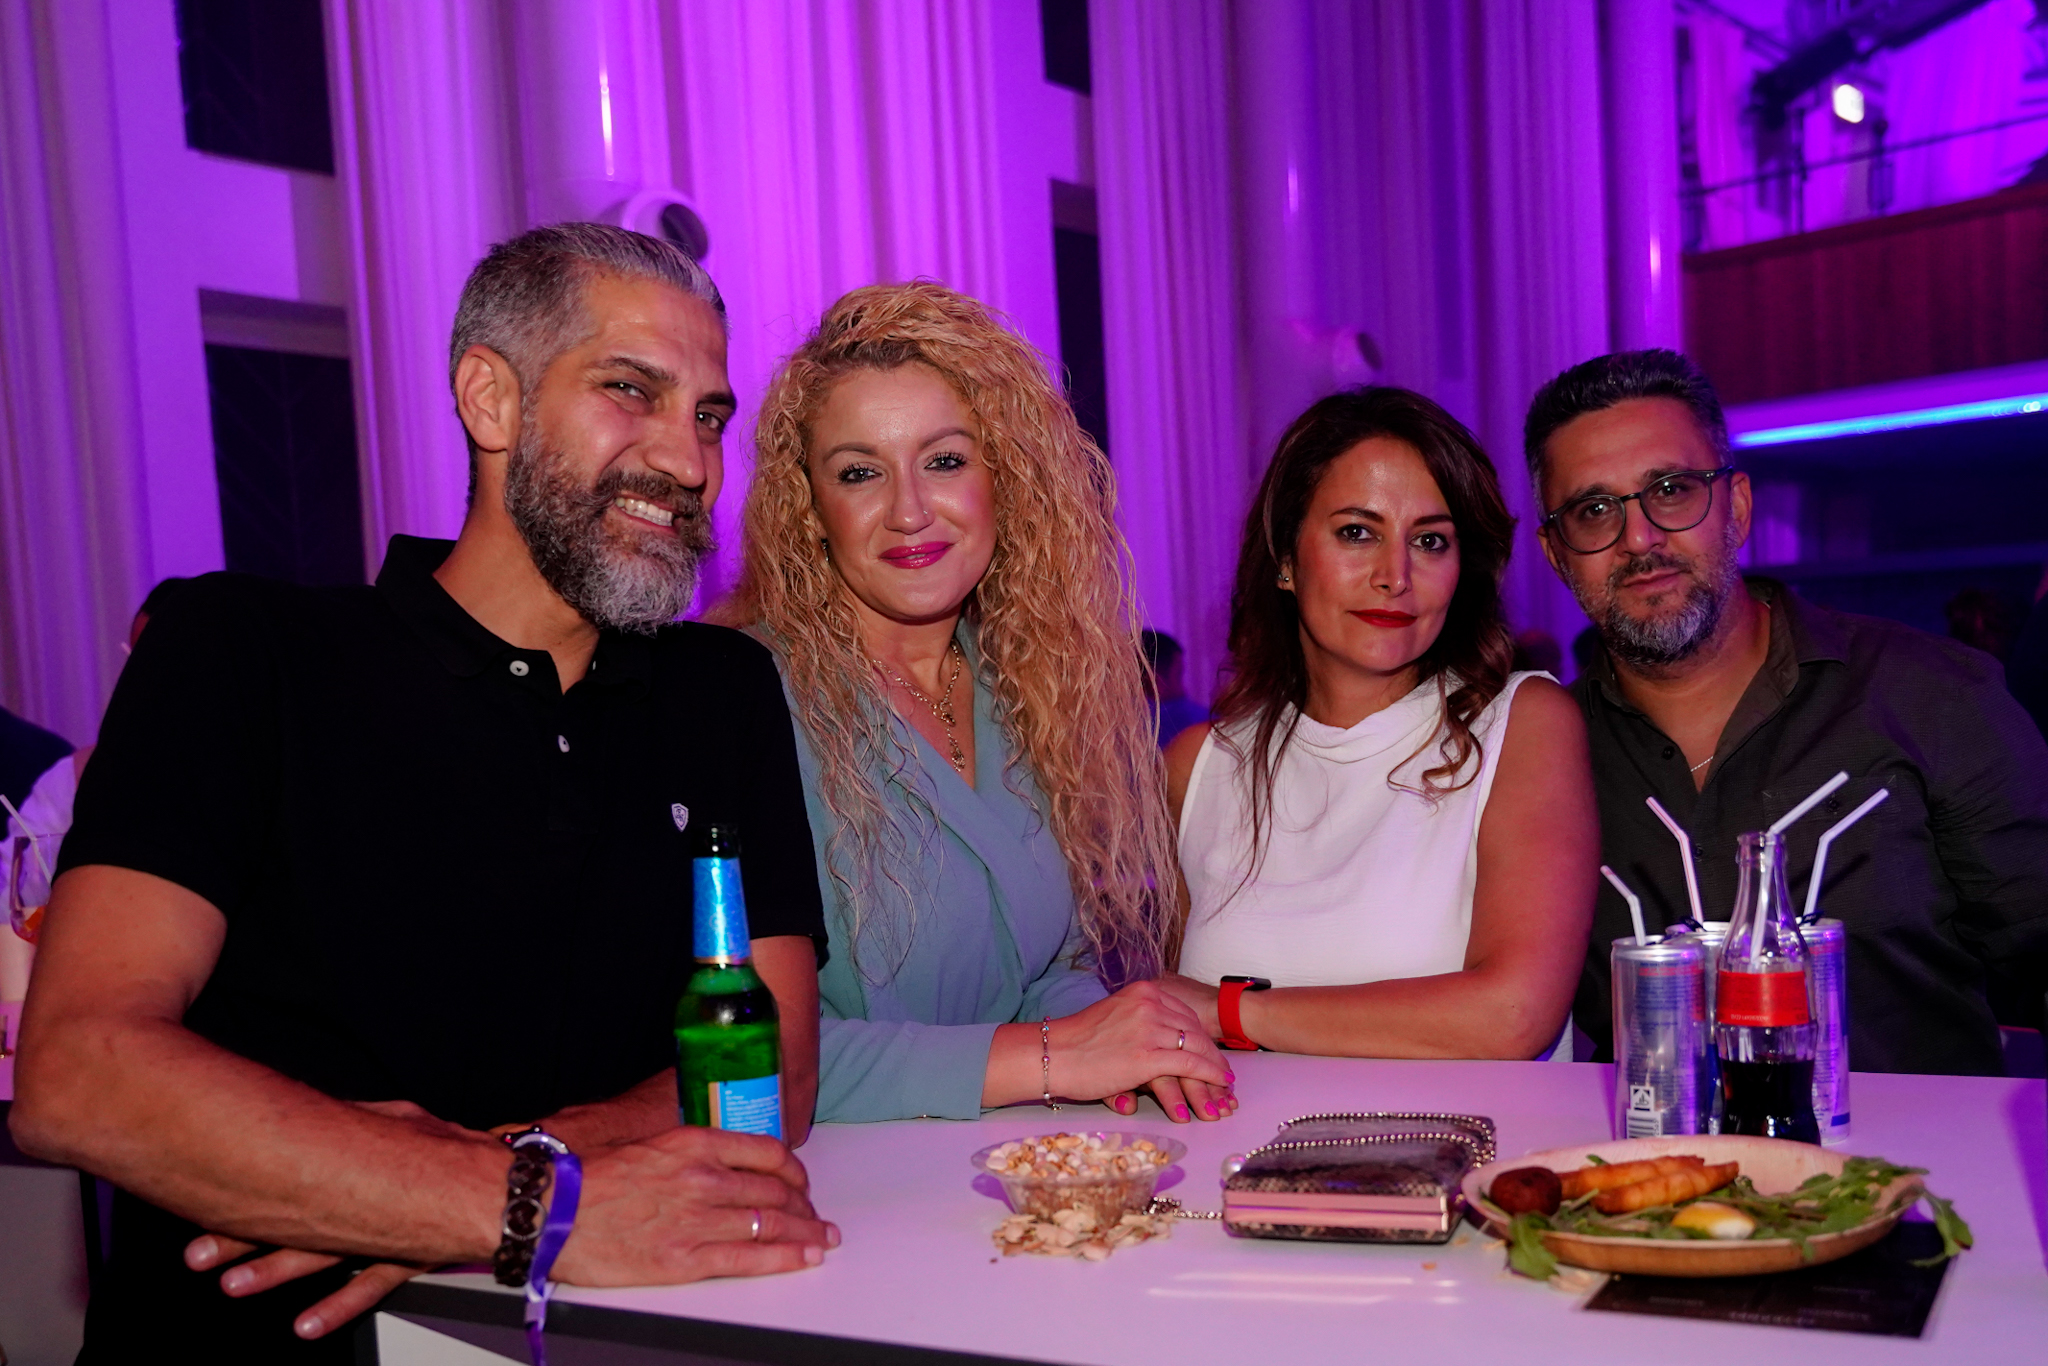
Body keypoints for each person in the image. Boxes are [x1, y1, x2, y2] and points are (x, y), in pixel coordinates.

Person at [11, 224, 839, 1363]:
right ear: (490, 399)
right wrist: (526, 1207)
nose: (692, 463)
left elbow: (777, 1064)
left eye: (707, 416)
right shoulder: (240, 653)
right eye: (629, 390)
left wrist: (466, 1180)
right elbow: (78, 1072)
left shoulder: (720, 692)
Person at [712, 282, 1235, 1125]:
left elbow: (1046, 966)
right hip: (844, 1186)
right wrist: (1057, 1056)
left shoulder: (1022, 684)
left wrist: (1129, 1041)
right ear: (810, 510)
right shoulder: (743, 700)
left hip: (1013, 1166)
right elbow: (755, 1059)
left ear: (1005, 480)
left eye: (946, 461)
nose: (910, 511)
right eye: (859, 473)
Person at [1526, 348, 2048, 1076]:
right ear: (1557, 554)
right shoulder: (1536, 757)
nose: (1639, 538)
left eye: (1671, 490)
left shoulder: (1929, 697)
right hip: (1648, 1150)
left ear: (1737, 508)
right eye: (1593, 511)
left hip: (1914, 1148)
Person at [1160, 387, 1599, 1058]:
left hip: (1464, 1131)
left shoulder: (1523, 724)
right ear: (1285, 558)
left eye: (1430, 541)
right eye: (1357, 533)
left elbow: (1513, 1016)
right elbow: (1156, 1021)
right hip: (1231, 1131)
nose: (1396, 575)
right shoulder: (1198, 767)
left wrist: (1230, 1012)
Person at [1142, 628, 1208, 747]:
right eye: (1178, 674)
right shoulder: (1188, 717)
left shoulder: (1111, 722)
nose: (1183, 690)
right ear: (1156, 680)